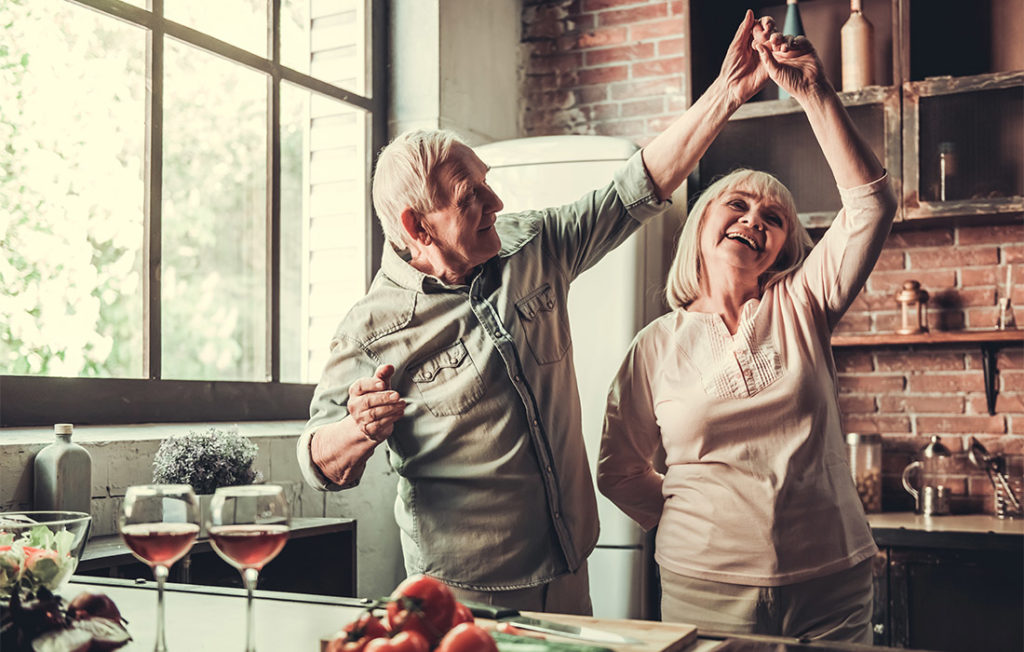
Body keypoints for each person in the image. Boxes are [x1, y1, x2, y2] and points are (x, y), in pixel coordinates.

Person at [297, 11, 777, 614]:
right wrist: (355, 429)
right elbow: (319, 462)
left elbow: (637, 185)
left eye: (487, 183)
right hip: (464, 593)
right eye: (472, 197)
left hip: (572, 564)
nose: (498, 202)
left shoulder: (533, 246)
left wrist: (726, 94)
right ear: (417, 227)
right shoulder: (370, 329)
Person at [596, 22, 898, 643]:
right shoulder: (654, 344)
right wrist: (697, 522)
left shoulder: (804, 303)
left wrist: (813, 92)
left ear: (785, 246)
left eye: (775, 218)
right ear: (701, 225)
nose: (754, 219)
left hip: (830, 581)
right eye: (737, 204)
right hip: (701, 586)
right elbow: (619, 471)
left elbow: (870, 206)